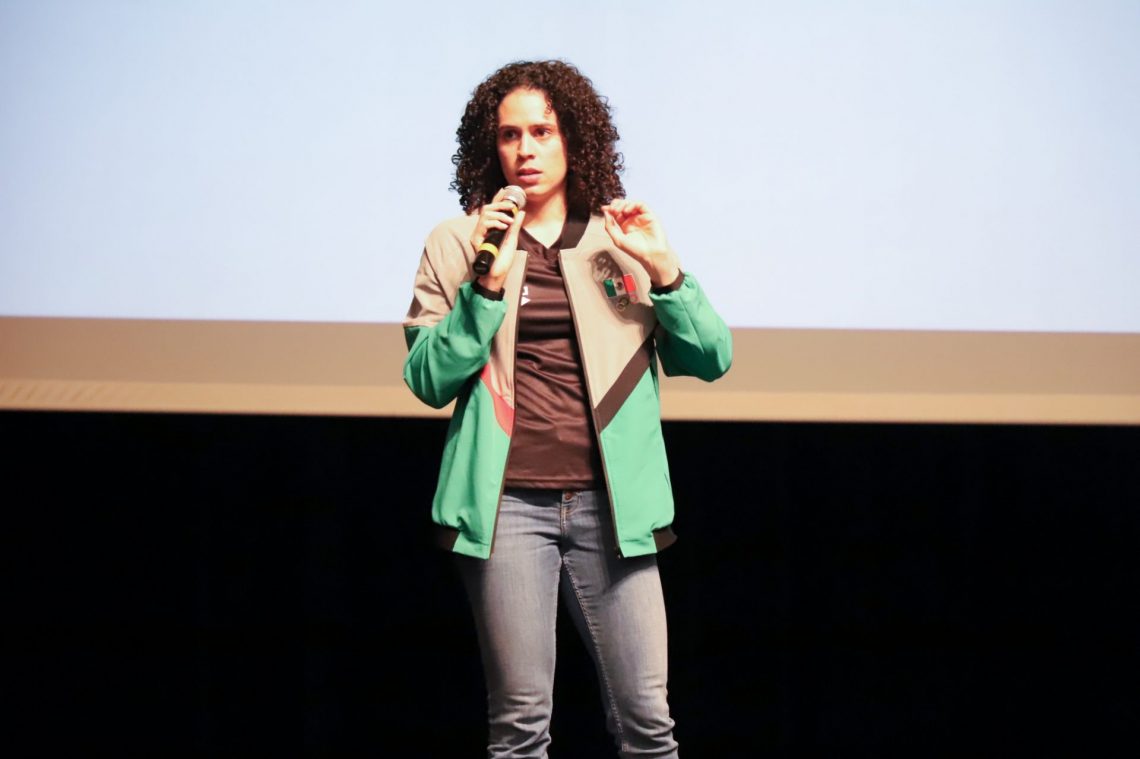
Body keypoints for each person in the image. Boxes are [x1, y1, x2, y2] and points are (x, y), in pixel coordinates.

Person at [403, 59, 732, 759]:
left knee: (648, 723)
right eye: (509, 135)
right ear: (490, 146)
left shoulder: (620, 239)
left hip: (612, 510)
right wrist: (484, 292)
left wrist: (666, 271)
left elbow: (711, 356)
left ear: (574, 138)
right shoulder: (459, 242)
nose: (525, 149)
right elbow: (427, 378)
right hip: (506, 507)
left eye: (542, 132)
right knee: (520, 727)